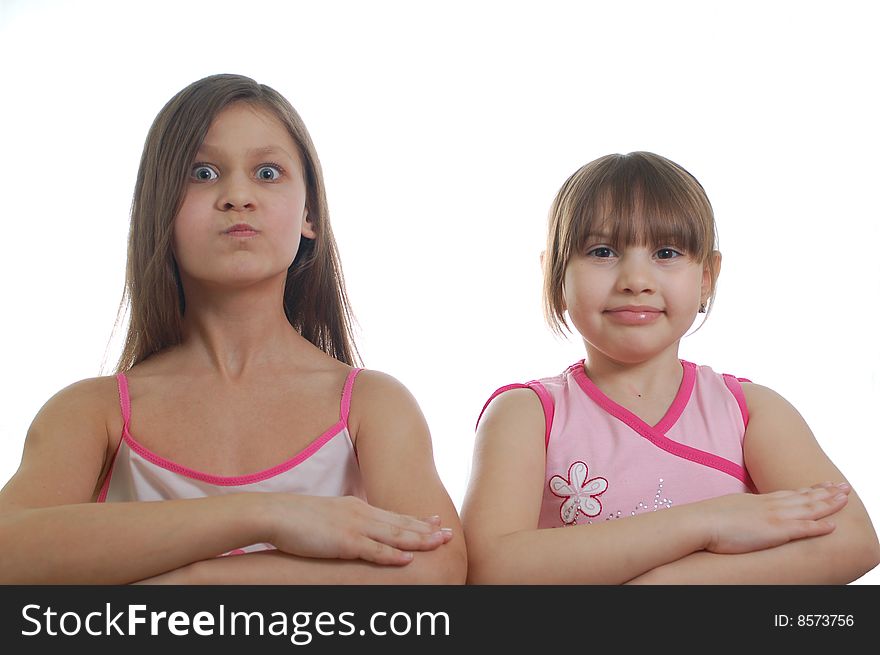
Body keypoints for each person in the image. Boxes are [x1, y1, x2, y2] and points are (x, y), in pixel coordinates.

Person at [0, 74, 465, 584]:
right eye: (202, 172)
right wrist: (266, 515)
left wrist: (197, 579)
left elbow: (435, 571)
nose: (238, 195)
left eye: (268, 172)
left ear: (309, 213)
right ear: (160, 209)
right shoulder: (91, 412)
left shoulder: (371, 405)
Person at [462, 151, 879, 584]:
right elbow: (490, 568)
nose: (636, 280)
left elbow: (853, 541)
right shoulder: (525, 415)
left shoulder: (750, 412)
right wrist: (707, 523)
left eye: (666, 252)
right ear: (555, 276)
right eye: (602, 251)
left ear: (707, 278)